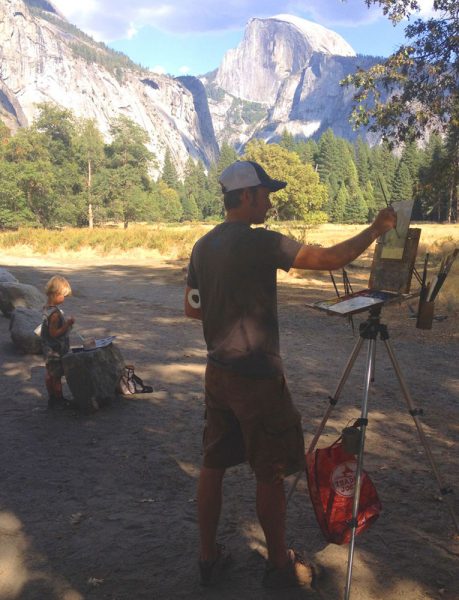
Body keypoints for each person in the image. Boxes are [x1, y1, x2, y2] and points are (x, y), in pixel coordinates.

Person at [184, 160, 396, 589]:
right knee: (271, 471)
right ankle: (280, 566)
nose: (270, 201)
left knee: (213, 463)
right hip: (257, 379)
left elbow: (192, 307)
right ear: (245, 196)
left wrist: (227, 305)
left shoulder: (203, 246)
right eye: (266, 194)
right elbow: (330, 259)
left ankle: (208, 558)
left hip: (218, 372)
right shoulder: (258, 242)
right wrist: (376, 230)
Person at [41, 275, 75, 409]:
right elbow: (54, 333)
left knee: (49, 374)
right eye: (63, 296)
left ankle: (52, 399)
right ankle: (59, 399)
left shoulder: (46, 308)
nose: (64, 299)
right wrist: (67, 324)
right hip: (55, 350)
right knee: (56, 377)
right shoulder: (54, 314)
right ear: (56, 294)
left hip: (47, 349)